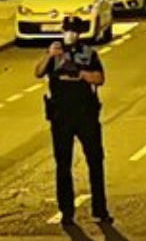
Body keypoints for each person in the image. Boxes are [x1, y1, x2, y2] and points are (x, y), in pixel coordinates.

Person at [38, 16, 110, 224]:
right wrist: (49, 55)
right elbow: (38, 72)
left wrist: (81, 73)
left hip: (85, 113)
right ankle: (66, 211)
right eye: (66, 29)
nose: (69, 33)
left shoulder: (88, 53)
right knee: (63, 164)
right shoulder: (54, 52)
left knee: (95, 160)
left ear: (79, 33)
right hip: (61, 115)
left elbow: (100, 78)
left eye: (73, 30)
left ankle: (100, 208)